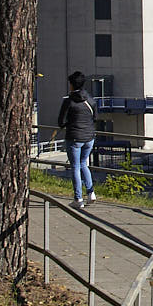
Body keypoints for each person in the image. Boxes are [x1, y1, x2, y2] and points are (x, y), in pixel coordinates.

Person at [59, 70, 99, 208]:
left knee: (75, 167)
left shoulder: (69, 101)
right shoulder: (91, 100)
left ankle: (78, 199)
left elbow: (61, 121)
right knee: (83, 164)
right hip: (89, 137)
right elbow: (95, 118)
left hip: (74, 137)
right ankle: (91, 192)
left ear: (71, 85)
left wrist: (68, 123)